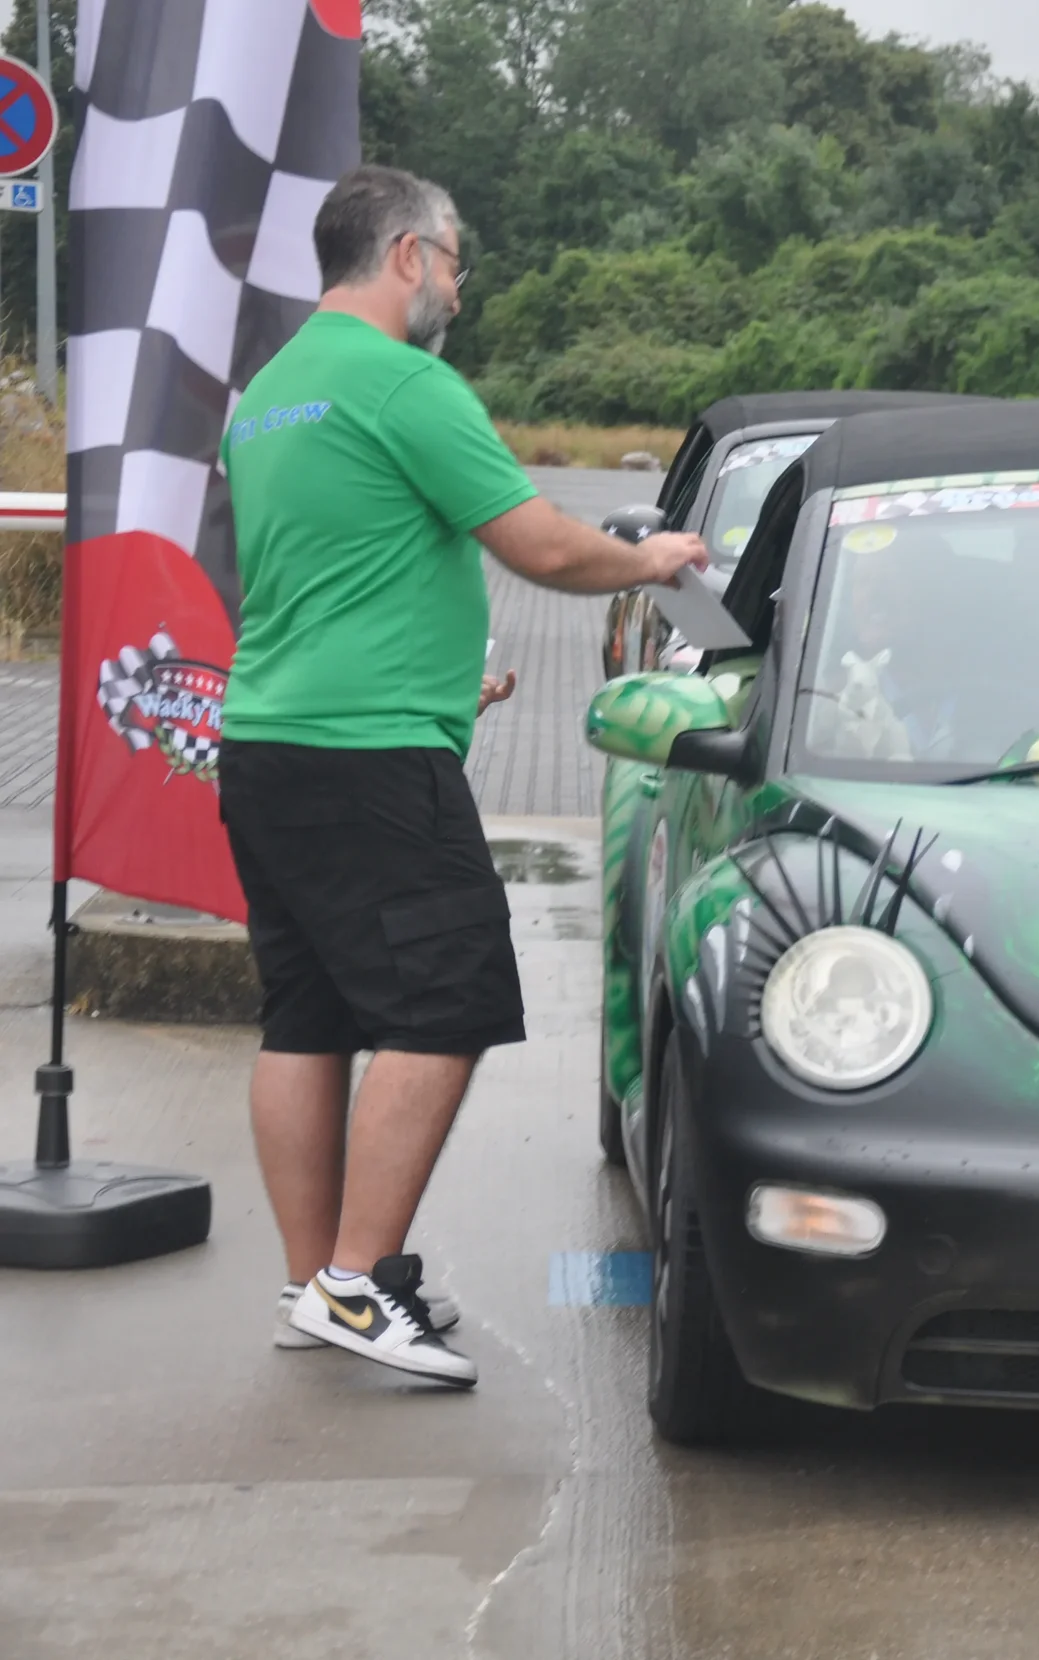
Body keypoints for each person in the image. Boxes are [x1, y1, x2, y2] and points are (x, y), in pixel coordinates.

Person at [218, 166, 708, 1387]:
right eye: (454, 258)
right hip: (367, 757)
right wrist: (654, 560)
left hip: (271, 743)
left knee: (309, 1013)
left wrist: (446, 678)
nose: (459, 284)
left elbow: (330, 573)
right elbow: (539, 543)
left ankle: (314, 1281)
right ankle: (360, 1282)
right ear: (405, 258)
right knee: (449, 999)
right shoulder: (406, 382)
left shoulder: (269, 394)